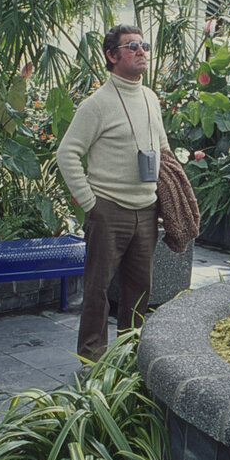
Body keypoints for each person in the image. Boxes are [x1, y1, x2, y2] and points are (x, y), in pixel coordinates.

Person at [55, 24, 172, 360]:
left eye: (143, 45)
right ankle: (91, 357)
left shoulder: (149, 97)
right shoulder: (97, 104)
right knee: (97, 289)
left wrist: (167, 194)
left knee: (139, 288)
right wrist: (90, 203)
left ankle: (127, 352)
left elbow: (162, 147)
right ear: (111, 55)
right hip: (108, 210)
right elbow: (67, 153)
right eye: (132, 46)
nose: (141, 51)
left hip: (147, 210)